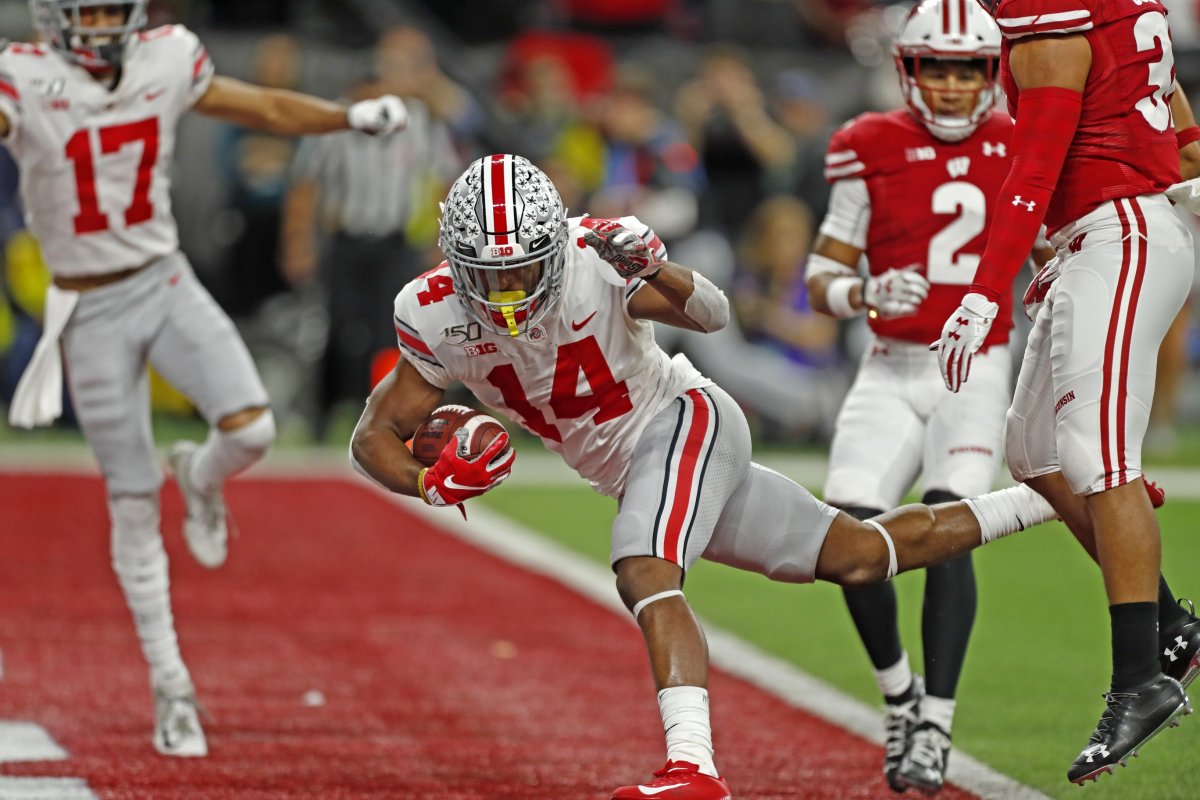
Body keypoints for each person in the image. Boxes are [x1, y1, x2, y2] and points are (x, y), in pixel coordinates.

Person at [350, 153, 1062, 800]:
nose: (505, 292)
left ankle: (693, 769)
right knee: (860, 556)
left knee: (643, 567)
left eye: (521, 268)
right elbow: (373, 436)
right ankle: (1054, 496)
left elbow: (713, 316)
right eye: (488, 274)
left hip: (685, 419)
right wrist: (428, 484)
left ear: (553, 248)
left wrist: (657, 268)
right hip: (637, 468)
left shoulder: (595, 252)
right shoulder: (433, 310)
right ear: (454, 261)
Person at [1, 0, 407, 757]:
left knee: (253, 428)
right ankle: (172, 686)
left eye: (108, 11)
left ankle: (200, 474)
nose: (98, 27)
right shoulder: (22, 78)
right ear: (51, 18)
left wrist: (345, 121)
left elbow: (266, 105)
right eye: (84, 13)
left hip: (163, 280)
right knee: (128, 500)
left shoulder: (166, 56)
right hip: (86, 305)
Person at [933, 0, 1200, 783]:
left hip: (1121, 230)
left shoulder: (1046, 10)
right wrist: (1188, 160)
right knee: (1034, 451)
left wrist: (983, 289)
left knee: (1093, 453)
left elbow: (1037, 160)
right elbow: (1167, 93)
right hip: (1106, 230)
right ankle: (1171, 624)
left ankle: (1140, 679)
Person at [806, 2, 1053, 792]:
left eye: (968, 69)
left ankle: (936, 725)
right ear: (909, 70)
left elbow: (1055, 242)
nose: (951, 86)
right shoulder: (867, 144)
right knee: (848, 533)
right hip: (887, 364)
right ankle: (898, 698)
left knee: (950, 520)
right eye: (937, 69)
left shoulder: (1023, 141)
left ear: (992, 72)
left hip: (974, 365)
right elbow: (820, 277)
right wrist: (865, 290)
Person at [280, 27, 460, 438]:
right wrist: (297, 241)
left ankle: (383, 416)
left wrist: (440, 241)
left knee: (392, 332)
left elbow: (445, 181)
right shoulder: (339, 121)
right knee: (338, 327)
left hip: (396, 241)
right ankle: (324, 414)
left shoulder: (420, 122)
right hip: (347, 239)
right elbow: (306, 184)